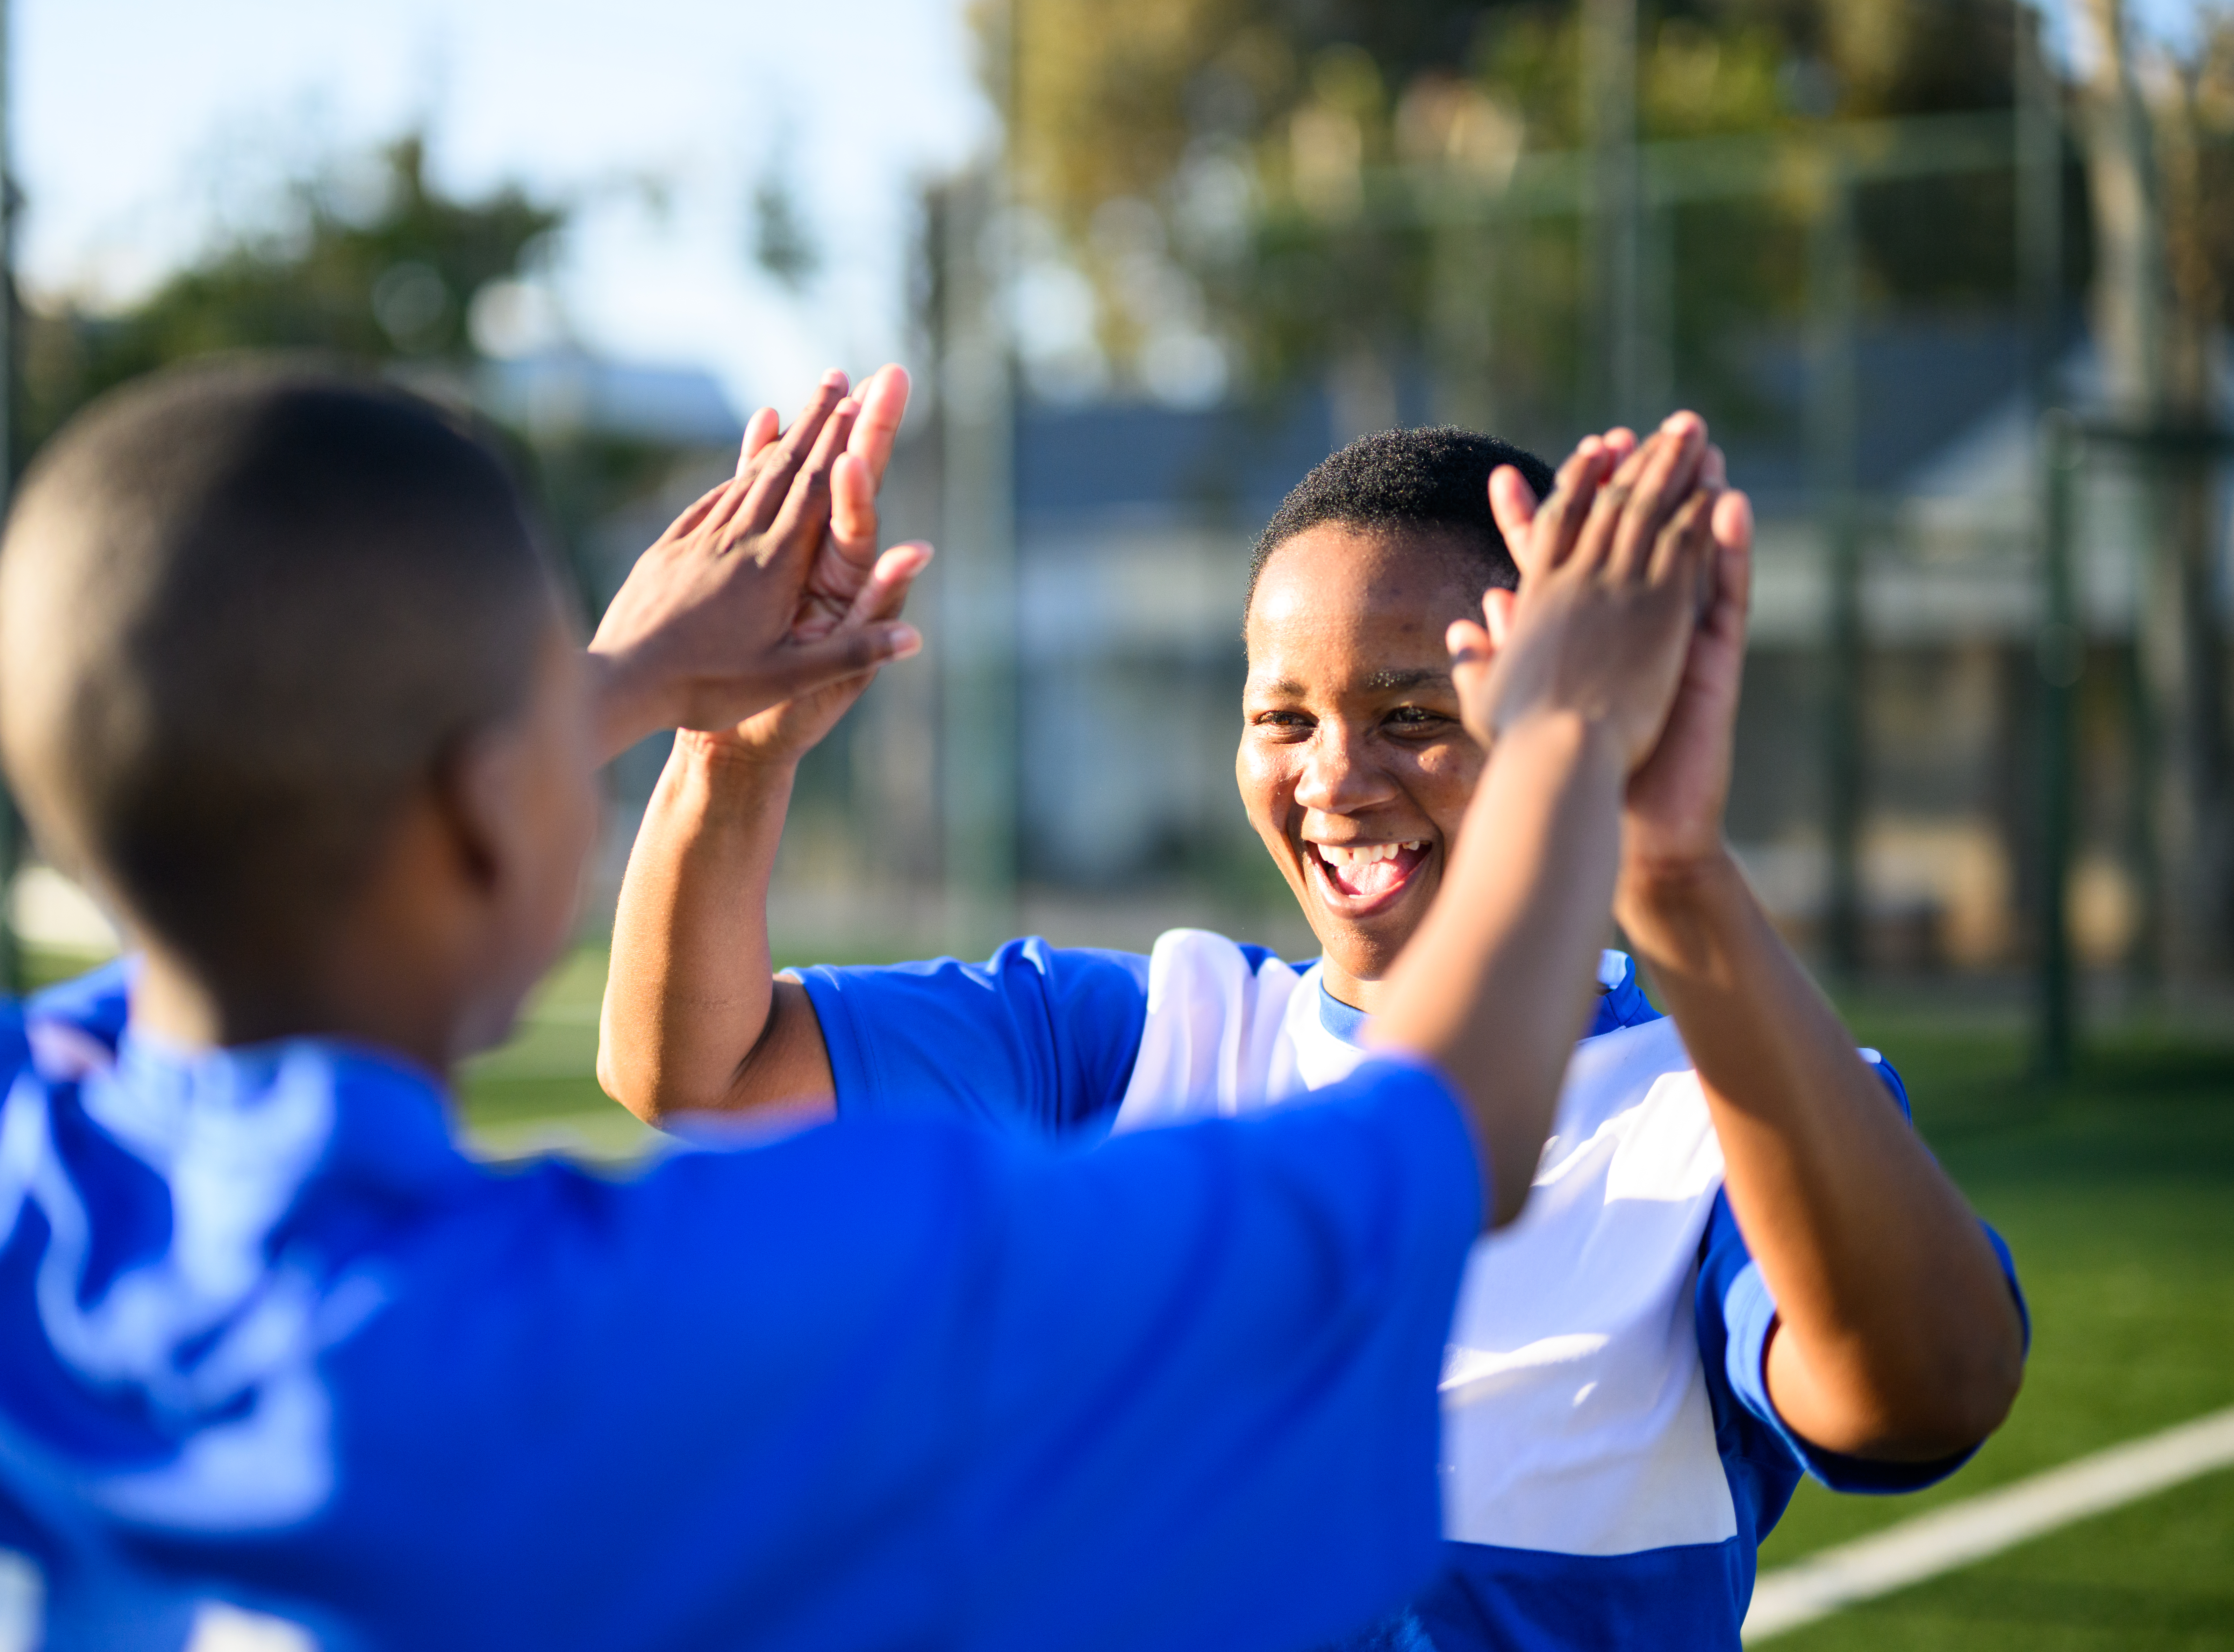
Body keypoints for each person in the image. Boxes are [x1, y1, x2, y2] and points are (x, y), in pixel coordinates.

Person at [0, 356, 1718, 1651]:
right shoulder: (687, 1317)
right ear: (493, 811)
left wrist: (583, 699)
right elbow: (1431, 1147)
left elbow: (262, 864)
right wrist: (1554, 745)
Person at [601, 414, 2030, 1651]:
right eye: (1280, 715)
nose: (1335, 776)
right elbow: (699, 1071)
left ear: (1572, 719)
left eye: (1416, 714)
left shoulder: (1722, 1091)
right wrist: (732, 749)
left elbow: (1925, 1396)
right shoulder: (1135, 1032)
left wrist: (1671, 874)